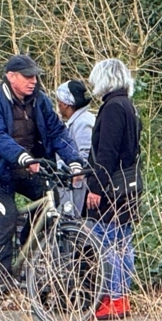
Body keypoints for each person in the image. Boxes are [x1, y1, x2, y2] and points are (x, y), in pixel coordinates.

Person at [0, 54, 83, 298]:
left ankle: (25, 256)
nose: (33, 81)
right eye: (27, 76)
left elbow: (57, 133)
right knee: (8, 214)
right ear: (11, 77)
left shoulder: (40, 102)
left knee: (48, 202)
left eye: (35, 76)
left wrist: (75, 161)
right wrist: (21, 155)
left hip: (28, 167)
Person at [85, 58, 142, 320]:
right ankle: (122, 298)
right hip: (129, 186)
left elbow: (105, 153)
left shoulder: (111, 109)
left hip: (112, 188)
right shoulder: (129, 106)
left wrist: (95, 188)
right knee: (123, 242)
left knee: (106, 242)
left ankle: (113, 298)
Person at [55, 79, 95, 217]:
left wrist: (72, 170)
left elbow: (86, 155)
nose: (58, 104)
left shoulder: (83, 122)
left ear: (66, 104)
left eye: (59, 100)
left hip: (80, 187)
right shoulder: (79, 120)